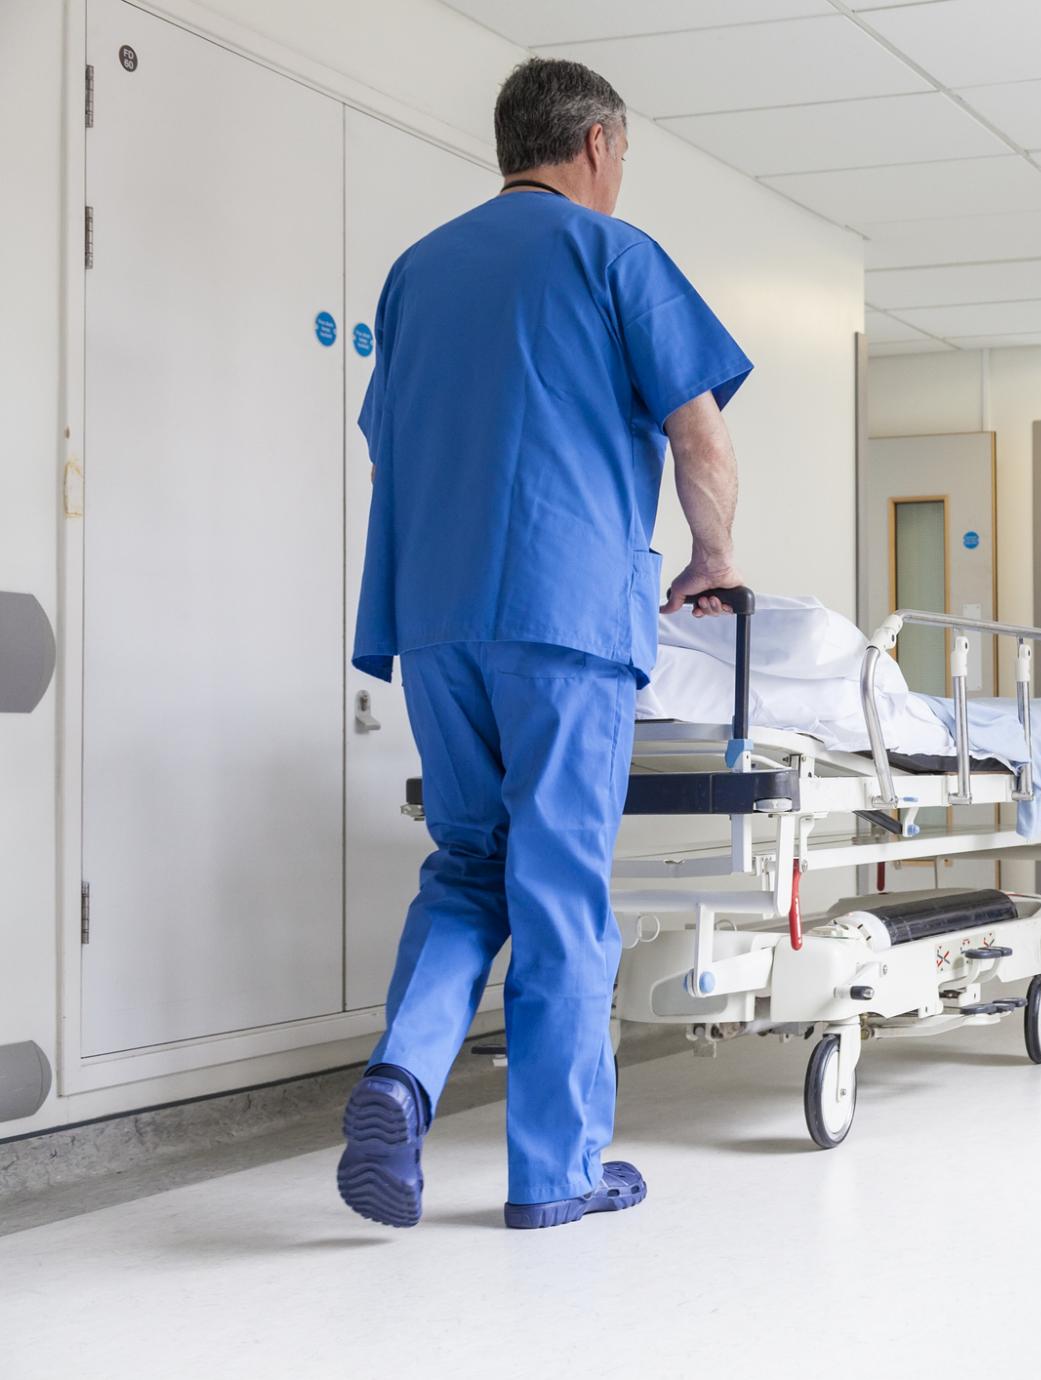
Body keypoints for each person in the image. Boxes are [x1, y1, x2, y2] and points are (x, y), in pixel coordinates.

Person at [338, 58, 753, 1231]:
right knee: (561, 884)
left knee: (469, 865)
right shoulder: (616, 255)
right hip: (563, 620)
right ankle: (554, 1171)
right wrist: (713, 557)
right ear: (600, 143)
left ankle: (401, 1077)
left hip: (433, 618)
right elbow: (700, 441)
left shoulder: (416, 273)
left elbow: (390, 453)